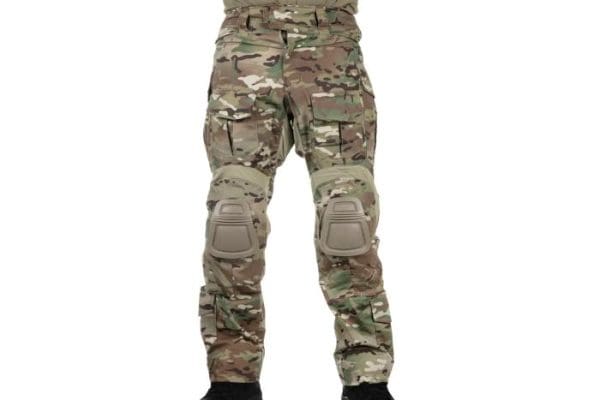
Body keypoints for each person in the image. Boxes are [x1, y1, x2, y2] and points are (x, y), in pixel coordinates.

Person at [198, 1, 395, 399]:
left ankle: (366, 380)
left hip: (329, 40)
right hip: (246, 42)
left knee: (346, 217)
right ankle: (233, 380)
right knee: (233, 217)